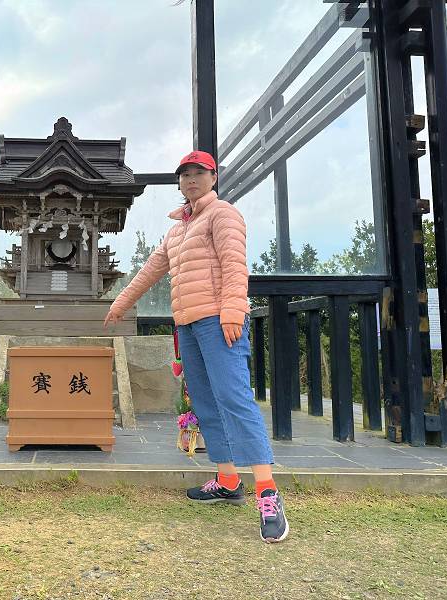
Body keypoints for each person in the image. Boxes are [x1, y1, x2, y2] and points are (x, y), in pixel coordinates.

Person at [104, 150, 289, 543]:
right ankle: (226, 480)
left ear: (213, 177)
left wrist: (234, 312)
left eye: (198, 173)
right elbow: (151, 269)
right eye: (184, 174)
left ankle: (268, 493)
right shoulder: (177, 231)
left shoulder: (223, 215)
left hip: (219, 321)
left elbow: (236, 266)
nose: (190, 180)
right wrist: (121, 302)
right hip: (187, 326)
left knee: (235, 399)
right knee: (205, 403)